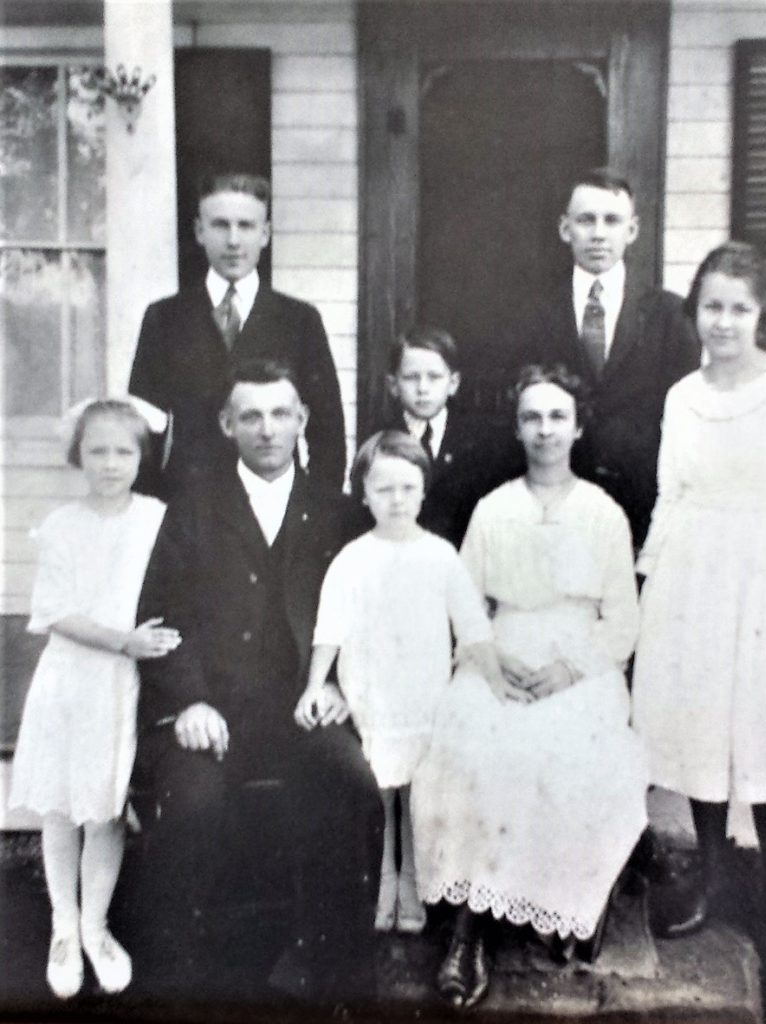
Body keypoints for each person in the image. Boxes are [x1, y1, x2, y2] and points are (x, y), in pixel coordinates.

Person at [131, 359, 382, 1003]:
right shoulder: (191, 510)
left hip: (305, 707)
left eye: (280, 414)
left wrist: (338, 688)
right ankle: (188, 979)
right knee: (192, 806)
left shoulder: (340, 513)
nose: (267, 429)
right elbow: (160, 618)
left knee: (352, 786)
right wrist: (186, 700)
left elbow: (370, 618)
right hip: (215, 711)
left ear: (302, 420)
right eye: (250, 415)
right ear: (225, 425)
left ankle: (338, 972)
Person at [411, 365, 649, 1009]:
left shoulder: (603, 512)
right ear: (517, 428)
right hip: (502, 655)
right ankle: (469, 930)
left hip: (581, 664)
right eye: (531, 418)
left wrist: (570, 669)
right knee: (468, 743)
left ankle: (564, 901)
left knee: (565, 749)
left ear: (577, 427)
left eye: (557, 417)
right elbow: (465, 605)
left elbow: (623, 619)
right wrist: (488, 658)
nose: (545, 430)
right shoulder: (494, 508)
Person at [631, 242, 766, 970]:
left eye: (739, 309)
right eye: (712, 307)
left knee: (764, 735)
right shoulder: (682, 397)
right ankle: (713, 887)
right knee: (703, 737)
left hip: (765, 576)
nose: (723, 323)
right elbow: (671, 492)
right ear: (696, 313)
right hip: (694, 578)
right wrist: (650, 577)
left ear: (763, 315)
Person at [295, 430, 499, 937]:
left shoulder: (440, 555)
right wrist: (315, 685)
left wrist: (497, 681)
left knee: (416, 792)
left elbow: (472, 627)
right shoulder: (352, 558)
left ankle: (413, 882)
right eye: (383, 489)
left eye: (408, 488)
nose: (397, 500)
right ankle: (385, 881)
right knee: (382, 791)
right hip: (372, 689)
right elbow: (329, 629)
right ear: (363, 495)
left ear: (424, 491)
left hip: (422, 690)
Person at [9, 399, 175, 999]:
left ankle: (96, 927)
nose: (110, 463)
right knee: (63, 808)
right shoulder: (61, 525)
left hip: (121, 687)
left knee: (104, 810)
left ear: (142, 457)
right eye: (98, 451)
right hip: (72, 680)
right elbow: (54, 612)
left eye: (124, 452)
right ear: (78, 455)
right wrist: (124, 640)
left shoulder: (156, 517)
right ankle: (62, 925)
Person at [129, 172, 345, 497]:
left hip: (275, 504)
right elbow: (143, 430)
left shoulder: (300, 320)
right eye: (220, 225)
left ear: (265, 234)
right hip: (189, 503)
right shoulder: (164, 318)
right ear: (200, 231)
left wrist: (313, 511)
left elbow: (328, 432)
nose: (233, 241)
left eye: (245, 226)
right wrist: (150, 510)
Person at [517, 168, 699, 549]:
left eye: (611, 220)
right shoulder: (532, 315)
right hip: (557, 506)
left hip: (643, 508)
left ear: (631, 231)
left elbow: (688, 427)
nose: (598, 233)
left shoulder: (670, 315)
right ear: (565, 229)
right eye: (586, 220)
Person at [382, 326, 513, 547]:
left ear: (453, 383)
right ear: (393, 385)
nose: (423, 388)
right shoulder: (381, 442)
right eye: (412, 377)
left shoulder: (479, 442)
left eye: (434, 377)